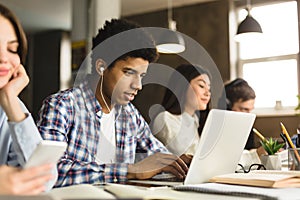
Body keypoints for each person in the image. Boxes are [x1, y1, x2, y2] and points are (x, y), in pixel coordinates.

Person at [36, 18, 191, 187]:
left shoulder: (130, 115)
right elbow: (48, 173)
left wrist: (177, 162)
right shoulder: (61, 106)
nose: (138, 85)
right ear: (101, 67)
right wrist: (130, 170)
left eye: (141, 76)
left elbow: (157, 156)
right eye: (128, 73)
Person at [0, 4, 55, 194]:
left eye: (12, 49)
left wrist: (9, 100)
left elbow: (44, 180)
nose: (3, 58)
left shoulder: (9, 106)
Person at [151, 64, 211, 156]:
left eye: (209, 88)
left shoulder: (196, 121)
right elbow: (182, 153)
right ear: (183, 86)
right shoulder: (165, 118)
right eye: (201, 86)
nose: (207, 93)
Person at [224, 78, 256, 149]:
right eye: (244, 109)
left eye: (250, 110)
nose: (248, 115)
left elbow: (249, 149)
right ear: (228, 106)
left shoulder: (247, 124)